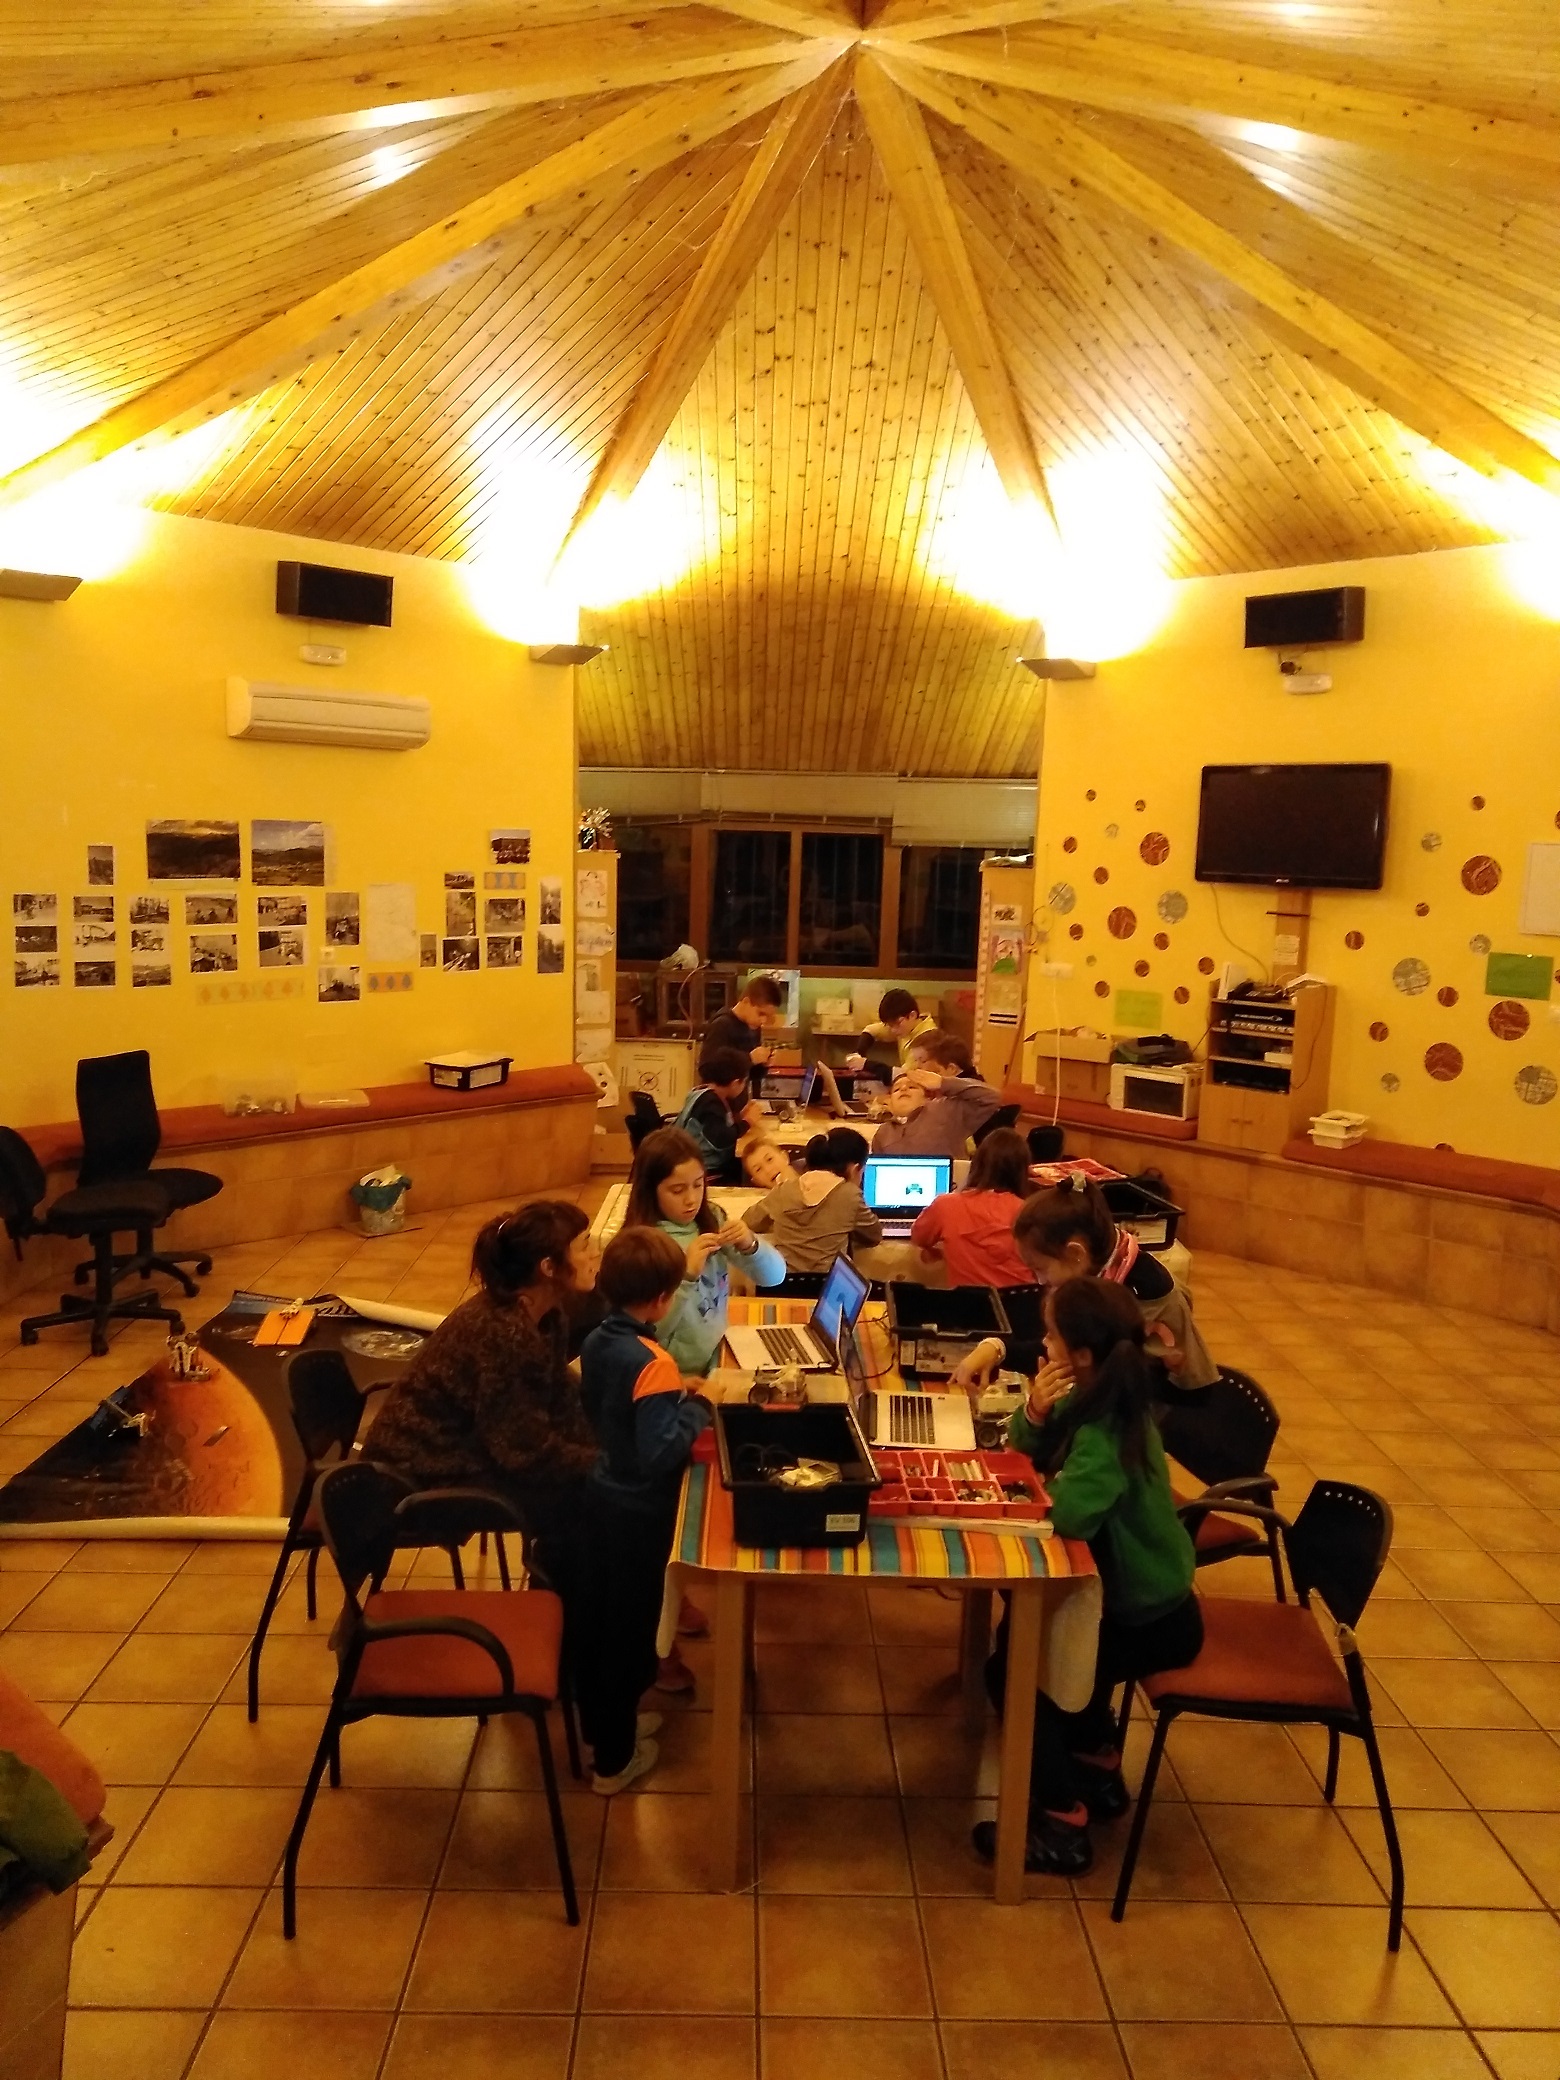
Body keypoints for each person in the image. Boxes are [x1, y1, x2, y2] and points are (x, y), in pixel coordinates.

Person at [974, 1276, 1202, 1876]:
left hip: (1151, 1616)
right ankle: (1095, 1767)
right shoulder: (1101, 1393)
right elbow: (1030, 1448)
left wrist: (1046, 1483)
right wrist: (1035, 1410)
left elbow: (1070, 1515)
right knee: (1041, 1646)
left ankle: (1062, 1823)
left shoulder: (1107, 1427)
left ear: (1079, 1354)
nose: (1042, 1344)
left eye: (1050, 1336)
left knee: (1015, 1669)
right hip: (1147, 1602)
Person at [363, 1201, 601, 1587]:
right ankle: (560, 1609)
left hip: (465, 1451)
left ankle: (572, 1604)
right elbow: (522, 1452)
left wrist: (610, 1443)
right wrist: (604, 1463)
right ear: (548, 1267)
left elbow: (562, 1401)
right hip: (417, 1476)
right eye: (585, 1245)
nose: (596, 1253)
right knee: (578, 1498)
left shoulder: (547, 1315)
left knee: (595, 1480)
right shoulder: (506, 1332)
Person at [577, 1227, 712, 1795]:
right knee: (631, 1636)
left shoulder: (598, 1339)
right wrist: (698, 1407)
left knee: (606, 1625)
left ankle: (609, 1731)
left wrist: (670, 1393)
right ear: (661, 1299)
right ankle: (614, 1762)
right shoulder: (653, 1362)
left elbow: (619, 1408)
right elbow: (659, 1452)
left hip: (603, 1494)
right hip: (640, 1509)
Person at [949, 1176, 1218, 1389]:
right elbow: (1062, 1346)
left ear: (1075, 1254)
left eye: (1040, 1269)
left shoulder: (1140, 1298)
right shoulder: (1103, 1267)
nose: (1039, 1280)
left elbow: (1101, 1379)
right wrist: (998, 1348)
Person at [621, 1125, 786, 1377]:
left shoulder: (712, 1219)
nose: (691, 1199)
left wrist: (751, 1245)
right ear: (650, 1190)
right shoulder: (643, 1243)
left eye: (698, 1185)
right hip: (674, 1374)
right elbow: (646, 1330)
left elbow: (775, 1277)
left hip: (717, 1356)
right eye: (677, 1190)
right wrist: (686, 1276)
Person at [909, 1127, 1036, 1287]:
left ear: (977, 1163)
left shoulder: (946, 1205)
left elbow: (918, 1237)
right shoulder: (1031, 1212)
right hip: (1021, 1300)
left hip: (967, 1301)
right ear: (1023, 1171)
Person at [746, 1126, 881, 1274]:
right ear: (854, 1169)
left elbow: (749, 1221)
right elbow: (873, 1236)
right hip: (828, 1283)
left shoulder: (782, 1191)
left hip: (783, 1281)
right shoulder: (850, 1195)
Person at [869, 1031, 1002, 1159]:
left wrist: (942, 1083)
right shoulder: (883, 1134)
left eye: (912, 1087)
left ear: (927, 1097)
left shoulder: (946, 1110)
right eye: (896, 1089)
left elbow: (992, 1097)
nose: (903, 1089)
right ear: (890, 1101)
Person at [674, 1045, 762, 1184]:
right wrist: (747, 1122)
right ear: (735, 1083)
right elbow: (721, 1139)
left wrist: (740, 1117)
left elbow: (718, 1125)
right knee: (747, 1169)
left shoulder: (704, 1092)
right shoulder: (710, 1103)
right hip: (704, 1168)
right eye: (744, 1082)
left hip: (693, 1158)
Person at [701, 973, 785, 1084]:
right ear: (746, 1002)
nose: (763, 1021)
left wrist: (763, 1065)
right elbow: (706, 1068)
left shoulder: (753, 1028)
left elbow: (749, 1074)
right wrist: (750, 1058)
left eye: (768, 1016)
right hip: (717, 1095)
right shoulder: (721, 1024)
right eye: (761, 1013)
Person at [843, 987, 938, 1083]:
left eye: (897, 1023)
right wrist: (859, 1052)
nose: (893, 1030)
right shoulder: (909, 1024)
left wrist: (866, 1064)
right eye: (890, 1025)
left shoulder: (927, 1039)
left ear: (912, 1015)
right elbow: (870, 1030)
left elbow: (905, 1074)